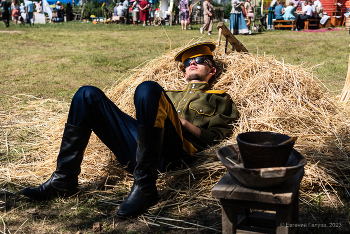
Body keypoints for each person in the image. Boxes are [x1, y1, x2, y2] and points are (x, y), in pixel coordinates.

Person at [21, 42, 238, 219]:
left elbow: (216, 139)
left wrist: (182, 123)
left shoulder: (220, 98)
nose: (192, 64)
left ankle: (145, 187)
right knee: (86, 94)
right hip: (144, 152)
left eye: (199, 61)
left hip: (176, 152)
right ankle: (64, 179)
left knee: (148, 88)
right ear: (183, 74)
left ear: (212, 70)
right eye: (187, 63)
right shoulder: (169, 94)